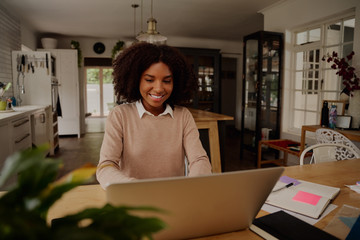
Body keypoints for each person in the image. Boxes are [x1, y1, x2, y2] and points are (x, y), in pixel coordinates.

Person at [96, 42, 212, 189]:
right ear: (135, 79)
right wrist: (135, 187)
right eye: (149, 80)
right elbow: (106, 166)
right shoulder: (120, 115)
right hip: (133, 198)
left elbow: (199, 159)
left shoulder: (183, 116)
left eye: (167, 81)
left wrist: (191, 186)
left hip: (174, 197)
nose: (158, 89)